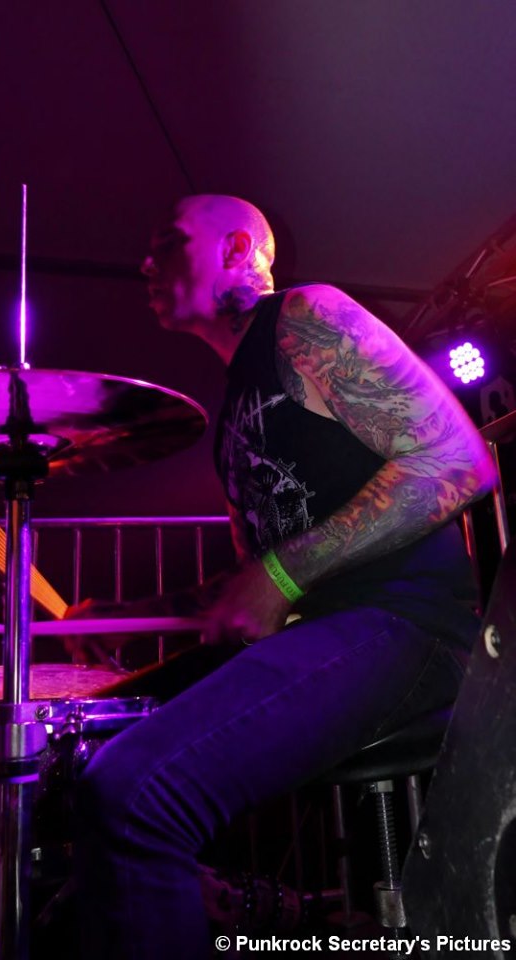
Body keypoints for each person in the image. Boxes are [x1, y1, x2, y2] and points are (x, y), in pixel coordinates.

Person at [74, 195, 495, 959]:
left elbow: (453, 461)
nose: (144, 263)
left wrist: (279, 572)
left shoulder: (305, 317)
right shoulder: (235, 408)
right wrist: (120, 614)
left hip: (406, 625)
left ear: (237, 250)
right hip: (326, 633)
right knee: (75, 763)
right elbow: (254, 589)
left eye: (168, 243)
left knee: (134, 792)